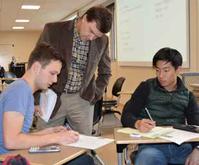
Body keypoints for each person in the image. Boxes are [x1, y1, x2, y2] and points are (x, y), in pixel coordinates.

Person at [0, 43, 94, 165]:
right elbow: (11, 141)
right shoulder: (20, 91)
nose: (55, 80)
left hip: (12, 157)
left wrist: (47, 132)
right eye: (52, 73)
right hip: (8, 160)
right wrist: (56, 138)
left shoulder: (23, 90)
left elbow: (16, 135)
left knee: (82, 160)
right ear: (36, 68)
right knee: (84, 161)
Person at [35, 6, 112, 135]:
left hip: (82, 99)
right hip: (52, 95)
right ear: (85, 18)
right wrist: (35, 99)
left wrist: (95, 95)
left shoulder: (103, 41)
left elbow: (105, 72)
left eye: (96, 36)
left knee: (83, 145)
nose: (92, 38)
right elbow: (37, 65)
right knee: (44, 142)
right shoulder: (53, 30)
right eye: (91, 31)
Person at [121, 47, 199, 165]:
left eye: (166, 70)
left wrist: (197, 149)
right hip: (152, 147)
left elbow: (197, 126)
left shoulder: (187, 95)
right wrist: (137, 123)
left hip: (182, 148)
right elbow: (126, 115)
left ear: (178, 70)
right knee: (146, 159)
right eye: (157, 70)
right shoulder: (146, 87)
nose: (161, 75)